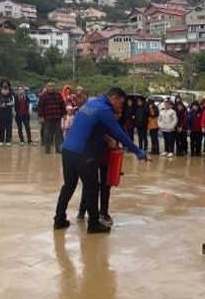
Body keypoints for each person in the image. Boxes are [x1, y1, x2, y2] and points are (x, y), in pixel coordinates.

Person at [53, 87, 148, 234]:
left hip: (67, 150)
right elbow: (120, 134)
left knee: (69, 186)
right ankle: (93, 224)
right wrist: (138, 151)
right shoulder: (105, 110)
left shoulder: (91, 104)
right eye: (120, 103)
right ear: (114, 98)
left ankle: (59, 219)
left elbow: (89, 126)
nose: (120, 107)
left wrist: (106, 138)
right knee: (92, 188)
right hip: (83, 153)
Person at [38, 81, 66, 154]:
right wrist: (41, 116)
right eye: (50, 86)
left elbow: (62, 105)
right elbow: (40, 107)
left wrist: (64, 114)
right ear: (47, 87)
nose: (51, 88)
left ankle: (57, 149)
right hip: (47, 118)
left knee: (58, 134)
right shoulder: (43, 96)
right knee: (47, 134)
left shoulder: (58, 95)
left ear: (54, 87)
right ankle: (47, 149)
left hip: (57, 117)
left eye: (53, 86)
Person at [0, 80, 15, 147]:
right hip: (1, 113)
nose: (5, 85)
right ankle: (1, 140)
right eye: (4, 84)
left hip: (9, 112)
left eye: (6, 84)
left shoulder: (11, 93)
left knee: (8, 127)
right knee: (1, 127)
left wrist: (5, 104)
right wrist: (3, 104)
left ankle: (8, 140)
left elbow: (13, 103)